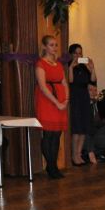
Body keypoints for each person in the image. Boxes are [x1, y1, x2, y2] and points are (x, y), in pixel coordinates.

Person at [35, 35, 68, 179]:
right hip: (47, 101)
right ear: (44, 47)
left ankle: (52, 166)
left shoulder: (59, 64)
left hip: (60, 102)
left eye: (56, 45)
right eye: (51, 45)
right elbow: (43, 87)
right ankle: (52, 167)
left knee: (57, 135)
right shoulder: (40, 63)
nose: (54, 48)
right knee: (48, 134)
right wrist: (57, 102)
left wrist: (66, 100)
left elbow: (64, 83)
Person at [68, 43, 97, 165]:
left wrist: (92, 68)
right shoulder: (68, 66)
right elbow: (70, 81)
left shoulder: (84, 67)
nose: (78, 55)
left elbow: (93, 80)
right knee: (77, 128)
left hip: (84, 98)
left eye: (80, 53)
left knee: (84, 128)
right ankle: (74, 155)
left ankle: (79, 154)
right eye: (75, 53)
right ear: (71, 54)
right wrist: (71, 67)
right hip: (75, 98)